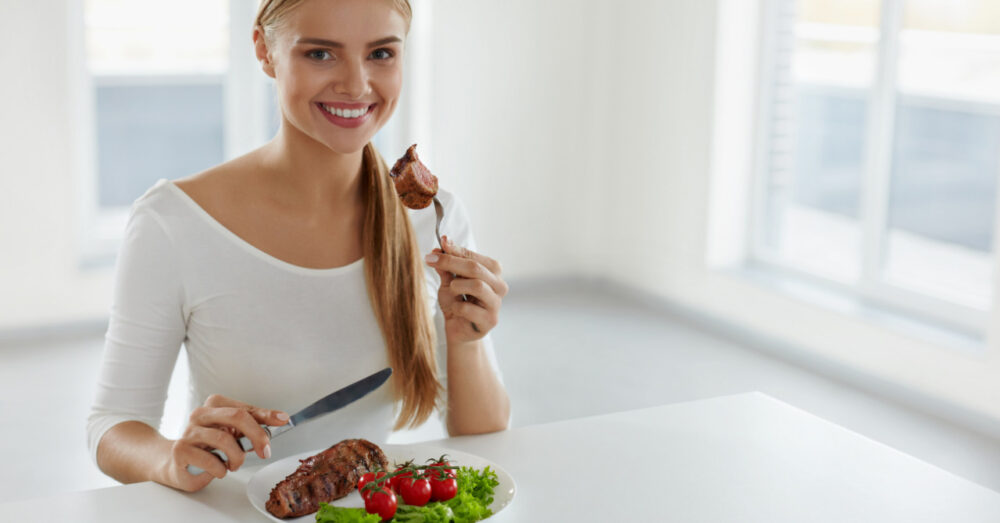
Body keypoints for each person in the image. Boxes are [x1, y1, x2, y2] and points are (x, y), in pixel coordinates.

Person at [87, 0, 510, 493]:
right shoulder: (173, 222)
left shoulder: (431, 222)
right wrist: (168, 459)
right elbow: (112, 426)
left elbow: (482, 437)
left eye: (380, 54)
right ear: (264, 51)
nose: (356, 85)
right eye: (320, 54)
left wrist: (468, 340)